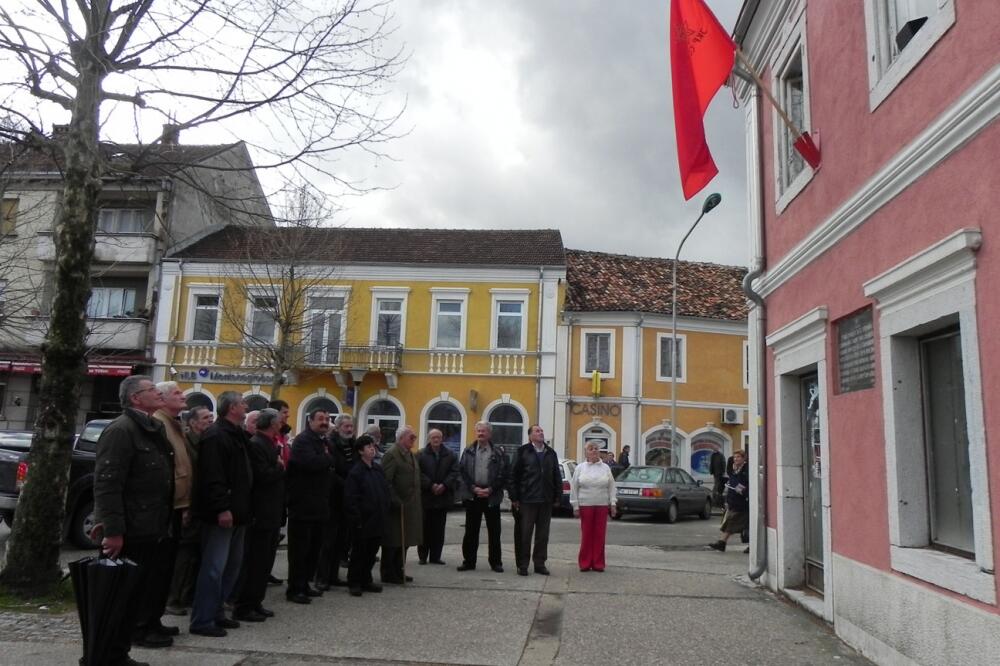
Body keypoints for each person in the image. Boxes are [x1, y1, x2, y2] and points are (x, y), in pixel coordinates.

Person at [93, 375, 175, 661]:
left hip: (151, 526)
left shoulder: (152, 427)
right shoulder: (121, 430)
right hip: (131, 529)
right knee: (120, 598)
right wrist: (113, 530)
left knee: (136, 596)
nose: (158, 393)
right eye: (151, 390)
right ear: (135, 398)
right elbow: (107, 482)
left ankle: (120, 653)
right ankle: (107, 655)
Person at [190, 391, 253, 638]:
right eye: (242, 403)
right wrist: (221, 508)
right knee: (213, 568)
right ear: (232, 408)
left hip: (239, 512)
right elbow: (212, 477)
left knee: (231, 567)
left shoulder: (236, 435)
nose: (246, 405)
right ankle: (202, 619)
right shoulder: (216, 436)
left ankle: (217, 612)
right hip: (222, 513)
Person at [234, 408, 285, 622]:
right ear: (272, 424)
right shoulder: (257, 444)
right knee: (255, 561)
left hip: (271, 510)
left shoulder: (268, 443)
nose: (281, 425)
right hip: (261, 511)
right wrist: (279, 466)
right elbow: (261, 476)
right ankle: (245, 605)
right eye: (279, 421)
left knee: (264, 561)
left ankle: (256, 602)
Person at [152, 382, 196, 626]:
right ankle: (150, 620)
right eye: (178, 393)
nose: (183, 396)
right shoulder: (160, 423)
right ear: (163, 398)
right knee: (160, 566)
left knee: (167, 565)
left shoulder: (172, 423)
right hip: (165, 505)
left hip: (178, 504)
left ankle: (155, 620)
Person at [285, 408, 335, 604]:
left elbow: (331, 461)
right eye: (320, 419)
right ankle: (295, 588)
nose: (324, 422)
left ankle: (305, 584)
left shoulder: (323, 441)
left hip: (319, 504)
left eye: (327, 419)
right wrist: (327, 459)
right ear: (310, 421)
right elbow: (311, 463)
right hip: (303, 504)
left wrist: (326, 459)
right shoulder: (303, 440)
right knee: (300, 550)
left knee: (314, 548)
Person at [165, 407, 209, 615]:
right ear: (192, 423)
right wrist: (186, 505)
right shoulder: (187, 443)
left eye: (211, 417)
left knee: (195, 552)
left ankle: (188, 595)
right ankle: (174, 598)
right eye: (205, 418)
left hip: (201, 504)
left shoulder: (206, 442)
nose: (210, 421)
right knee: (185, 553)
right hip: (189, 504)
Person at [508, 425, 561, 576]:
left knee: (543, 535)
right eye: (537, 431)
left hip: (545, 499)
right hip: (527, 499)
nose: (541, 433)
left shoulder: (551, 453)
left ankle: (539, 563)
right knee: (525, 534)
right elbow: (513, 475)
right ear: (530, 436)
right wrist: (515, 497)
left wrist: (557, 495)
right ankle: (522, 565)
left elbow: (556, 474)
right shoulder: (523, 451)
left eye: (542, 431)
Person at [457, 422, 508, 573]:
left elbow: (503, 474)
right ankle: (469, 561)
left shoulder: (498, 452)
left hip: (491, 496)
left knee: (494, 531)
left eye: (483, 431)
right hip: (473, 495)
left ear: (490, 434)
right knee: (471, 531)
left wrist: (491, 489)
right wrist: (474, 488)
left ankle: (495, 562)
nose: (480, 433)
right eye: (478, 430)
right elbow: (462, 471)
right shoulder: (468, 451)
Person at [343, 435, 391, 596]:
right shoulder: (356, 471)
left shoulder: (377, 469)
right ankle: (354, 582)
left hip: (378, 518)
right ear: (360, 451)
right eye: (368, 447)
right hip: (363, 520)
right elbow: (351, 498)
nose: (372, 449)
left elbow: (384, 490)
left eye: (373, 446)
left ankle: (366, 579)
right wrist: (356, 518)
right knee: (359, 553)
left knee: (371, 553)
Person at [380, 425, 422, 584]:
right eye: (411, 437)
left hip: (409, 506)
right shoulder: (392, 455)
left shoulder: (410, 454)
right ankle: (388, 572)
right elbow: (386, 481)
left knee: (404, 541)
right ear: (401, 438)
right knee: (393, 541)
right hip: (396, 506)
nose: (414, 439)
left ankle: (399, 570)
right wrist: (395, 500)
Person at [571, 440, 617, 572]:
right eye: (591, 449)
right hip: (585, 505)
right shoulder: (580, 468)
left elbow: (612, 486)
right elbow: (574, 487)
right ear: (586, 452)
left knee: (600, 535)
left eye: (596, 448)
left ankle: (598, 563)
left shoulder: (606, 468)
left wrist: (612, 503)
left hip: (602, 505)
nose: (594, 451)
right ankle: (585, 562)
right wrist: (575, 506)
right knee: (586, 535)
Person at [417, 428, 459, 565]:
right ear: (429, 438)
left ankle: (436, 556)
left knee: (439, 529)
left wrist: (444, 485)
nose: (436, 440)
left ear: (442, 439)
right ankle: (423, 556)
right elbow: (418, 473)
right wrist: (430, 485)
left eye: (438, 437)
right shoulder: (420, 454)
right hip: (427, 497)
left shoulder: (450, 455)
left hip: (443, 497)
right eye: (433, 437)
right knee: (424, 528)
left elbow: (454, 472)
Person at [710, 450, 750, 553]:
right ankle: (722, 543)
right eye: (734, 457)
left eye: (738, 457)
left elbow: (744, 483)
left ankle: (722, 543)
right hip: (734, 500)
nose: (736, 459)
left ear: (743, 458)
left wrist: (743, 491)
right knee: (736, 523)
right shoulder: (733, 469)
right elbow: (731, 483)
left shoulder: (747, 469)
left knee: (733, 522)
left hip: (743, 502)